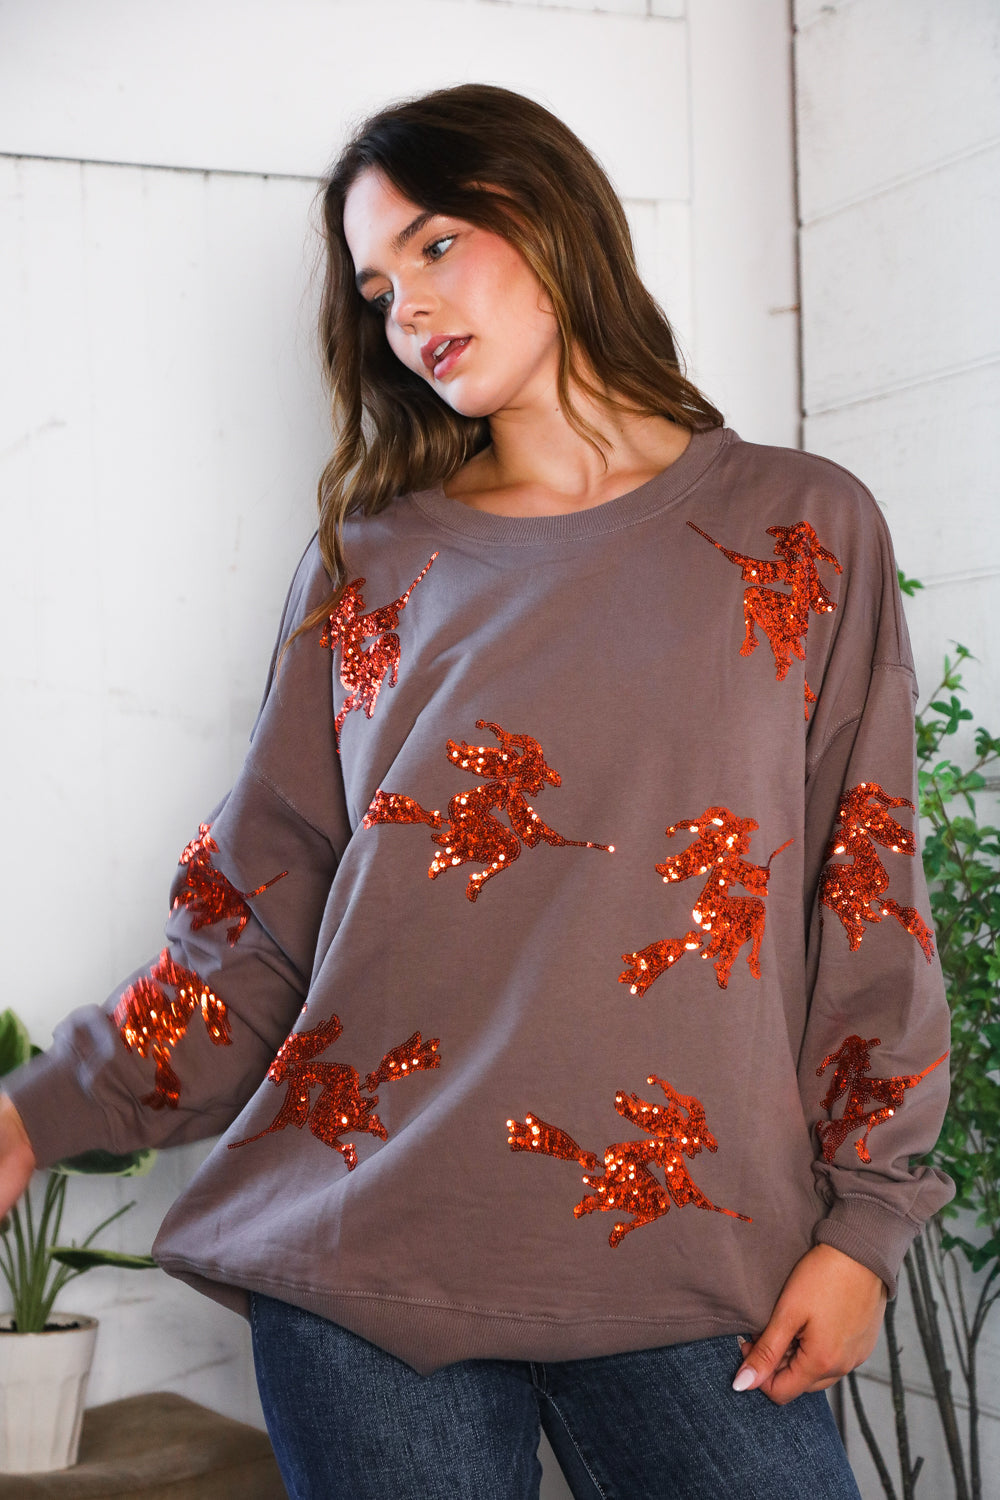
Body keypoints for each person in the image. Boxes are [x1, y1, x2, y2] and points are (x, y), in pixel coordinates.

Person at [0, 84, 953, 1499]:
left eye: (436, 245)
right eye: (378, 288)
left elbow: (865, 892)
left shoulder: (801, 527)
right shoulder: (374, 564)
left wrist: (866, 1227)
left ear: (550, 214)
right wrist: (36, 1112)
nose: (409, 309)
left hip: (702, 1267)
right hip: (366, 1278)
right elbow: (260, 916)